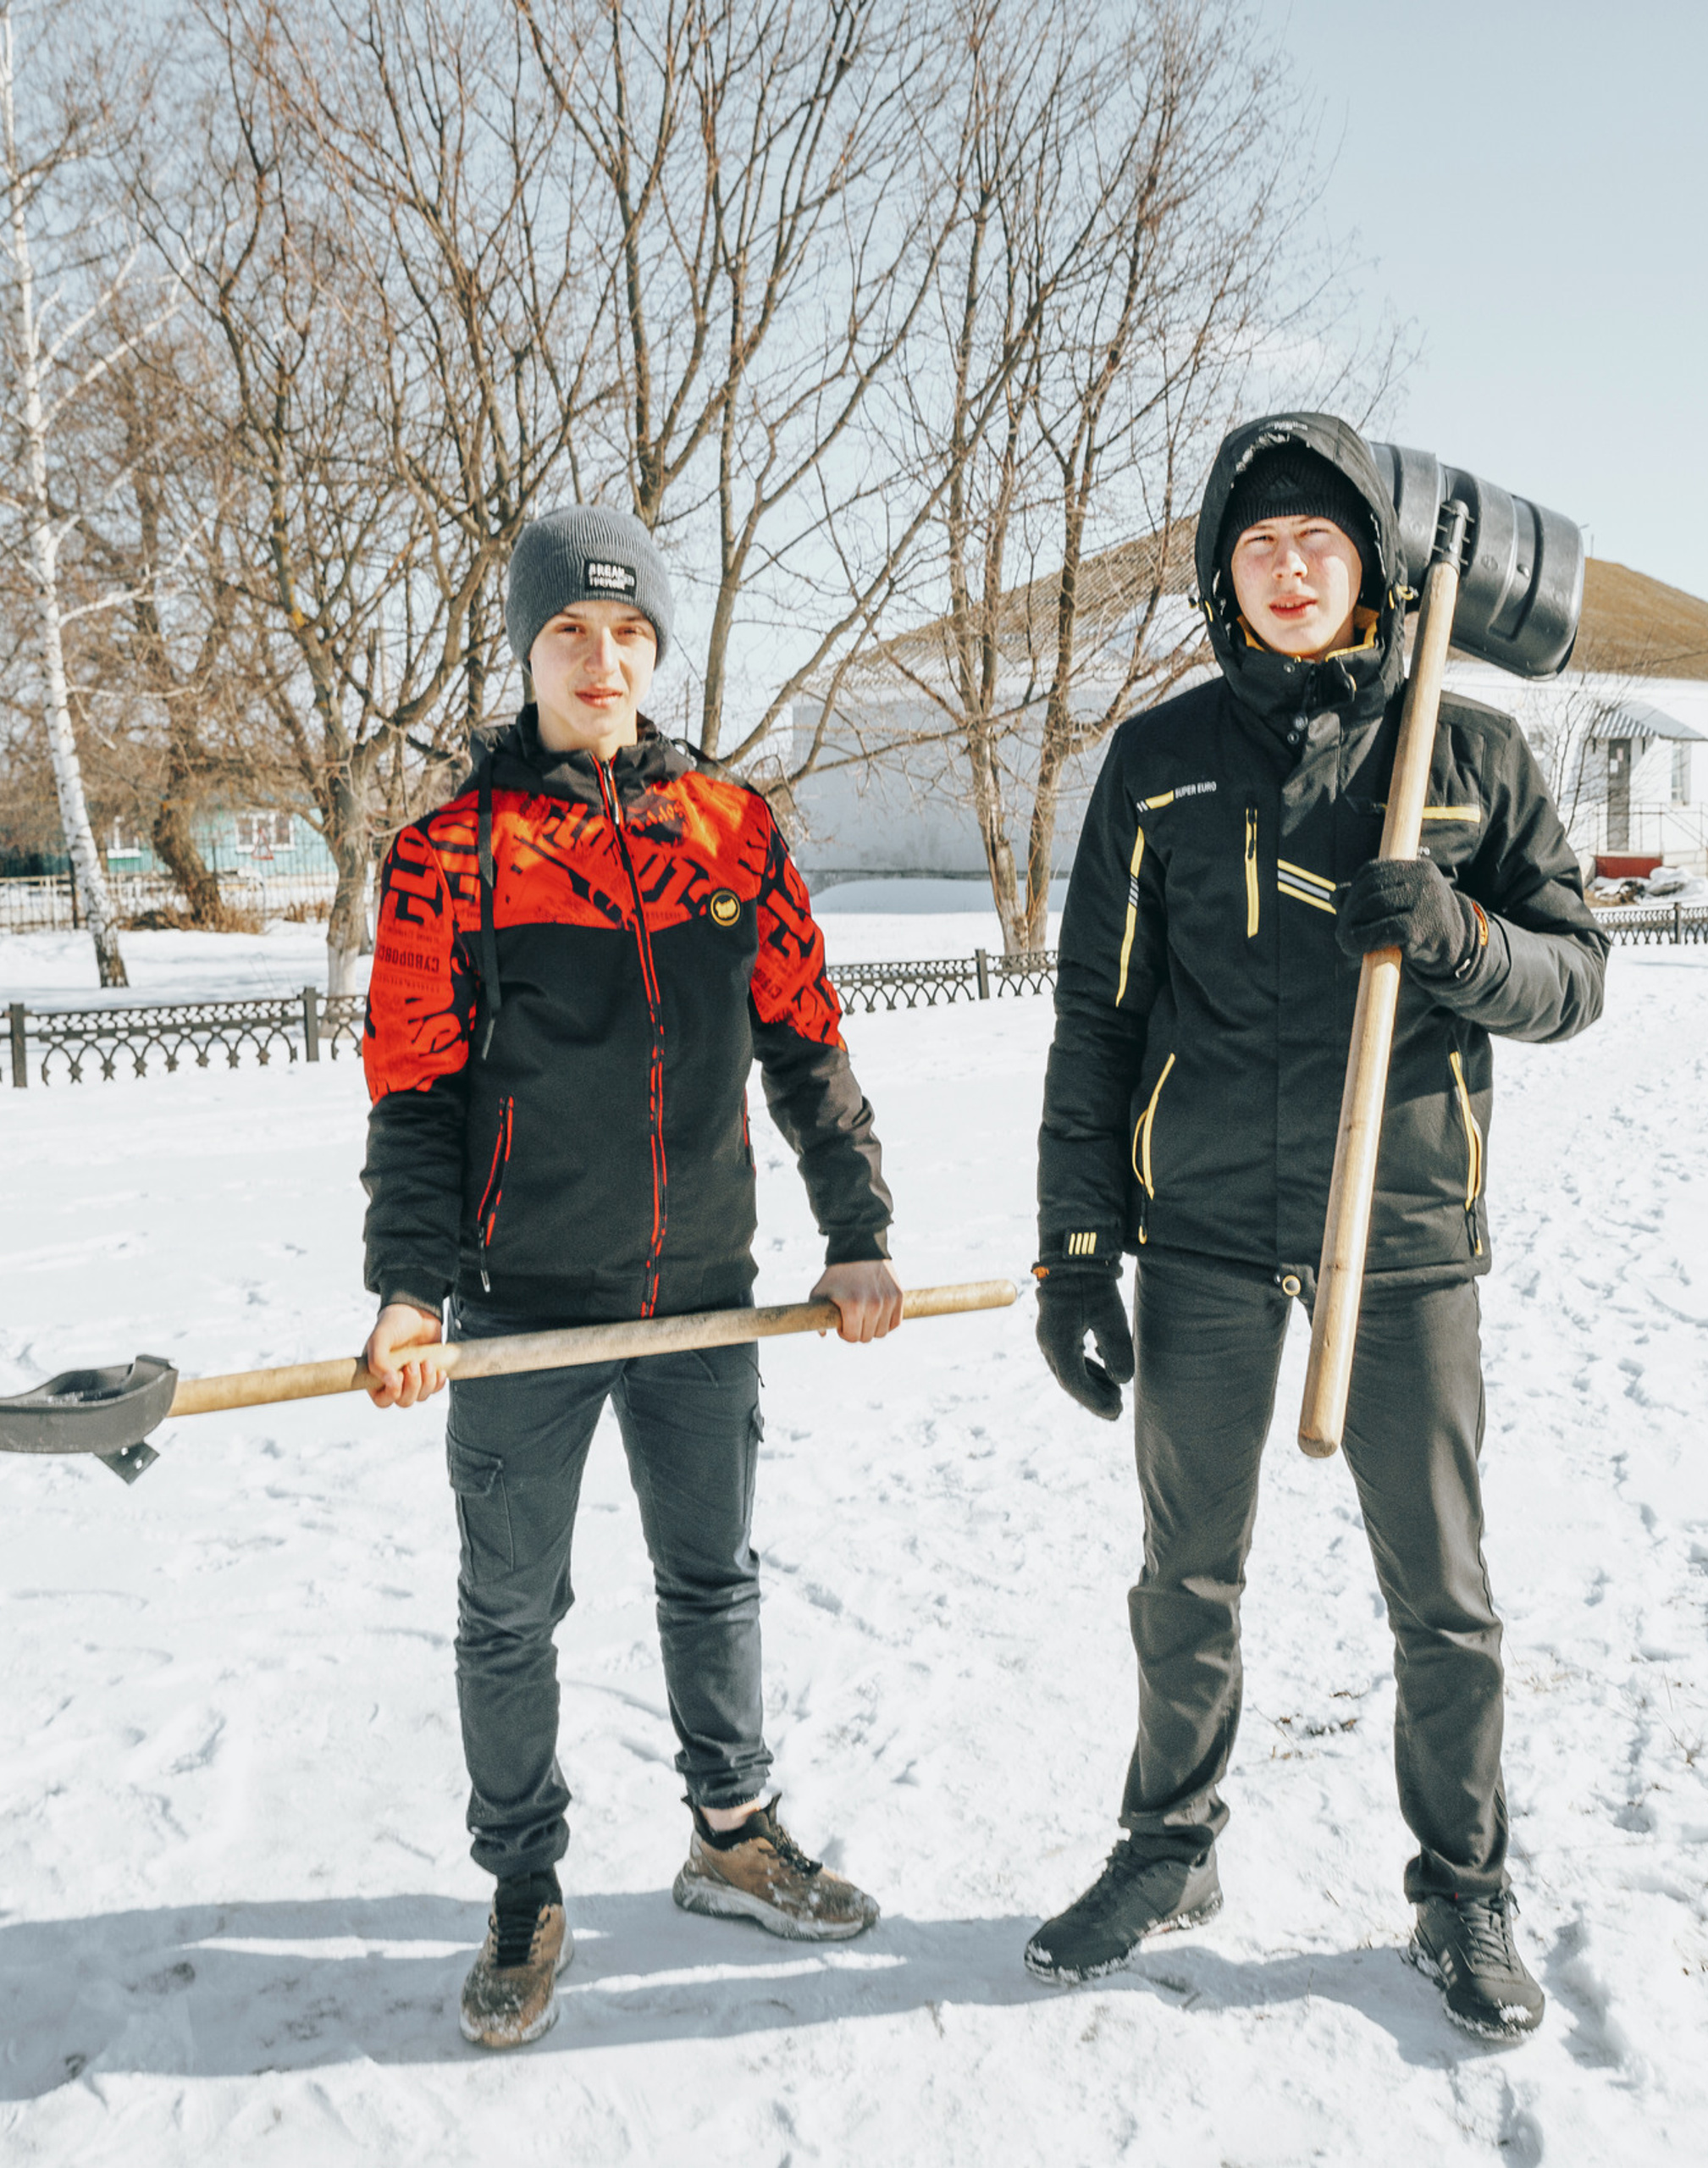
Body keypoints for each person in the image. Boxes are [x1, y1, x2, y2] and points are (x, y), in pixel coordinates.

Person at [1028, 415, 1607, 2040]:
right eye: (1258, 546)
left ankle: (1462, 1887)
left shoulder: (1470, 756)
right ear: (1226, 575)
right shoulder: (1160, 763)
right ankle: (1167, 1842)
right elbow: (1097, 1018)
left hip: (1407, 1222)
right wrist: (1079, 1244)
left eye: (1320, 544)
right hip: (1202, 1230)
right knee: (1185, 1574)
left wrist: (1459, 937)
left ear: (1370, 569)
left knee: (1444, 1592)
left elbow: (1577, 980)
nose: (1289, 570)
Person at [359, 506, 902, 2050]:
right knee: (508, 1613)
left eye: (630, 637)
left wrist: (855, 1231)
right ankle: (526, 1885)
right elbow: (414, 1096)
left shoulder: (733, 832)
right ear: (528, 650)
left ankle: (731, 1834)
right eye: (571, 636)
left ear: (657, 654)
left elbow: (808, 1046)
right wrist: (411, 1288)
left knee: (714, 1577)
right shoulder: (448, 854)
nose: (603, 662)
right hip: (523, 1307)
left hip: (703, 1296)